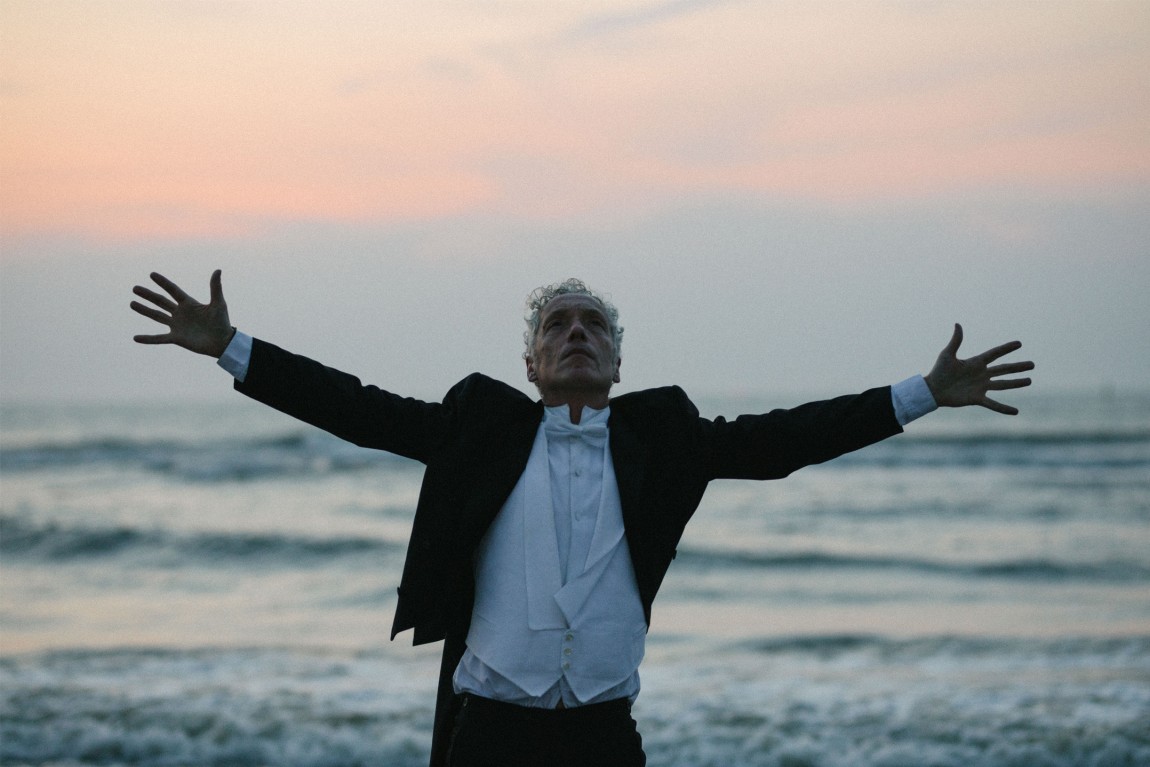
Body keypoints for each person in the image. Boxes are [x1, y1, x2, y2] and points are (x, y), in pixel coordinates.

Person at [131, 270, 1033, 767]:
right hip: (487, 731)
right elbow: (359, 408)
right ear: (529, 363)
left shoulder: (664, 437)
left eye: (591, 324)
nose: (574, 333)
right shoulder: (479, 428)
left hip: (605, 735)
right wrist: (235, 352)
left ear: (615, 357)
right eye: (557, 325)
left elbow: (784, 439)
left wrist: (918, 395)